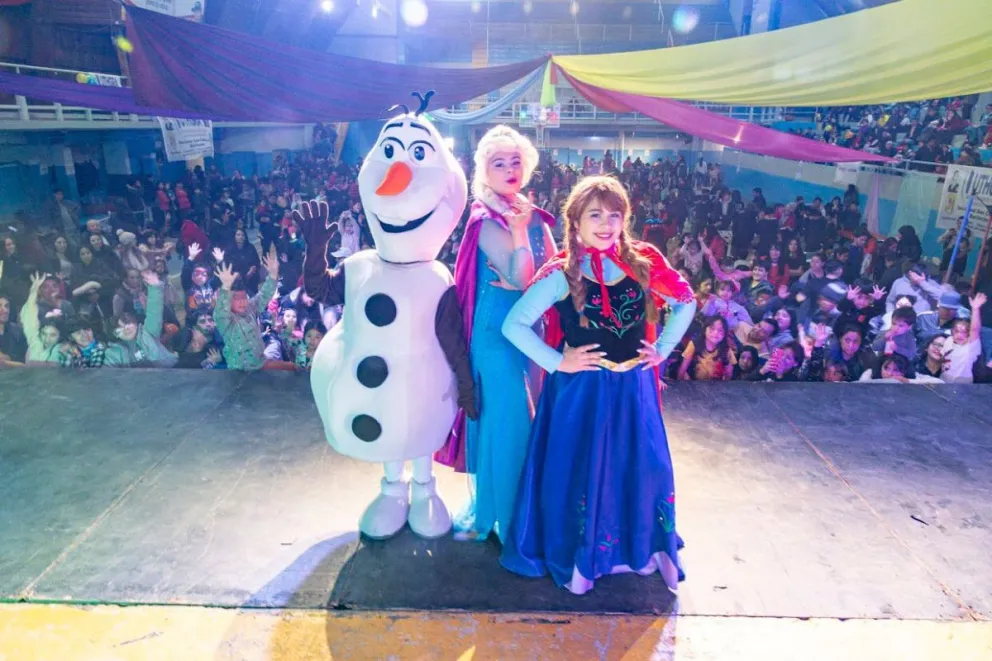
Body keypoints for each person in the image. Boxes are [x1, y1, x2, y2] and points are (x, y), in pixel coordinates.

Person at [499, 175, 696, 595]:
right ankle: (584, 553)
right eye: (595, 215)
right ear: (576, 220)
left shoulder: (644, 261)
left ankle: (638, 548)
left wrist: (662, 348)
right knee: (583, 471)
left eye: (614, 214)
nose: (606, 224)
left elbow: (686, 301)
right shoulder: (562, 272)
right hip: (581, 394)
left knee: (640, 466)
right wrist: (557, 362)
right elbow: (513, 324)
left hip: (633, 392)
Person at [435, 125, 557, 545]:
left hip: (532, 333)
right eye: (497, 162)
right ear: (483, 171)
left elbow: (553, 273)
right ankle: (505, 518)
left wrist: (529, 274)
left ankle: (519, 508)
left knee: (529, 420)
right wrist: (522, 237)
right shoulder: (485, 218)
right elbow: (527, 275)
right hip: (494, 336)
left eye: (515, 160)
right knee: (509, 422)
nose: (508, 168)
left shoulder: (532, 213)